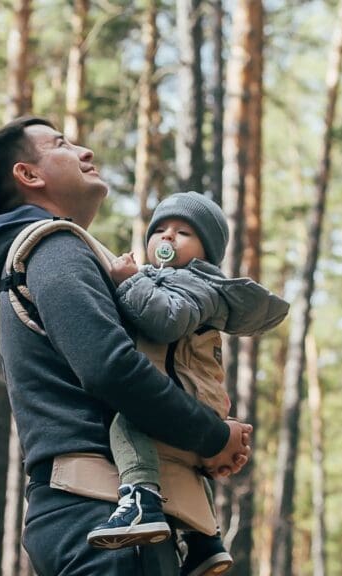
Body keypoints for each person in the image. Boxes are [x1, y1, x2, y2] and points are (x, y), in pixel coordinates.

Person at [0, 116, 253, 575]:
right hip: (100, 513)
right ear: (29, 175)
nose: (86, 152)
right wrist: (212, 435)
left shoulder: (51, 254)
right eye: (62, 144)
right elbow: (110, 369)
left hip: (99, 516)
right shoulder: (53, 247)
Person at [85, 192, 289, 576]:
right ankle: (204, 541)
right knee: (184, 465)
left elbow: (167, 321)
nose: (167, 238)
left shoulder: (198, 283)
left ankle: (139, 500)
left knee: (128, 426)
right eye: (159, 230)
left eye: (182, 232)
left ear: (205, 253)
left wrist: (130, 283)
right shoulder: (163, 279)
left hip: (182, 395)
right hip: (194, 394)